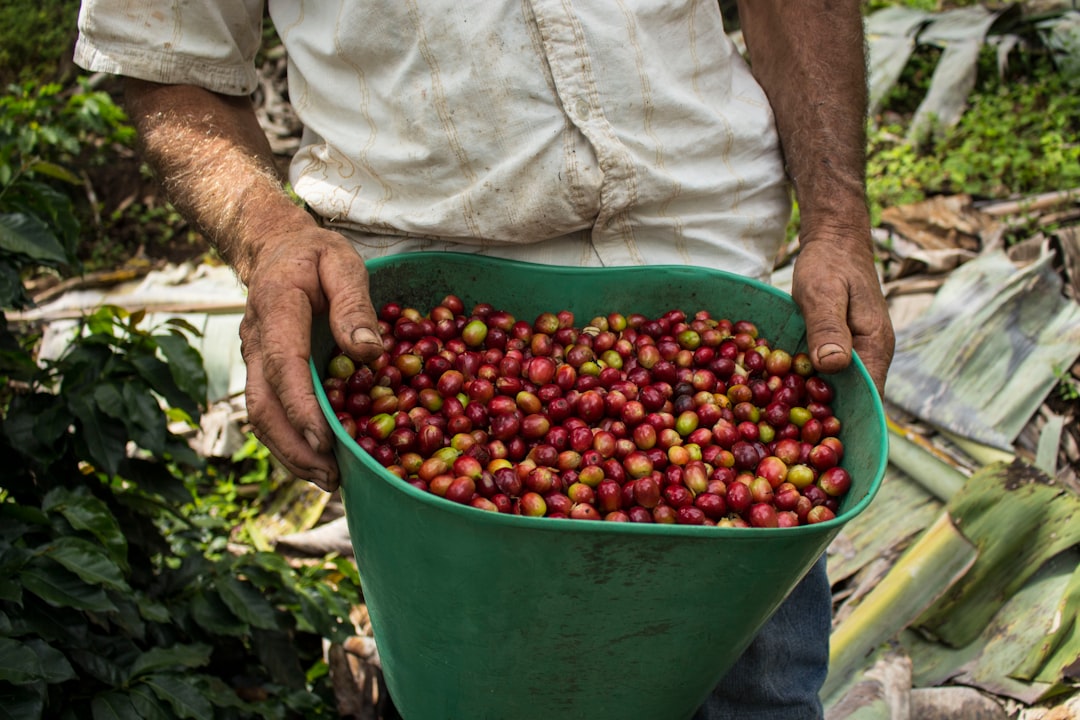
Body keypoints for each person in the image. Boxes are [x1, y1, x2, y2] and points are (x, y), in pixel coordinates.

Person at [74, 1, 895, 717]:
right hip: (412, 347)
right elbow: (161, 46)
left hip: (722, 318)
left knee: (755, 693)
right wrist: (269, 235)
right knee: (474, 679)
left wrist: (837, 221)